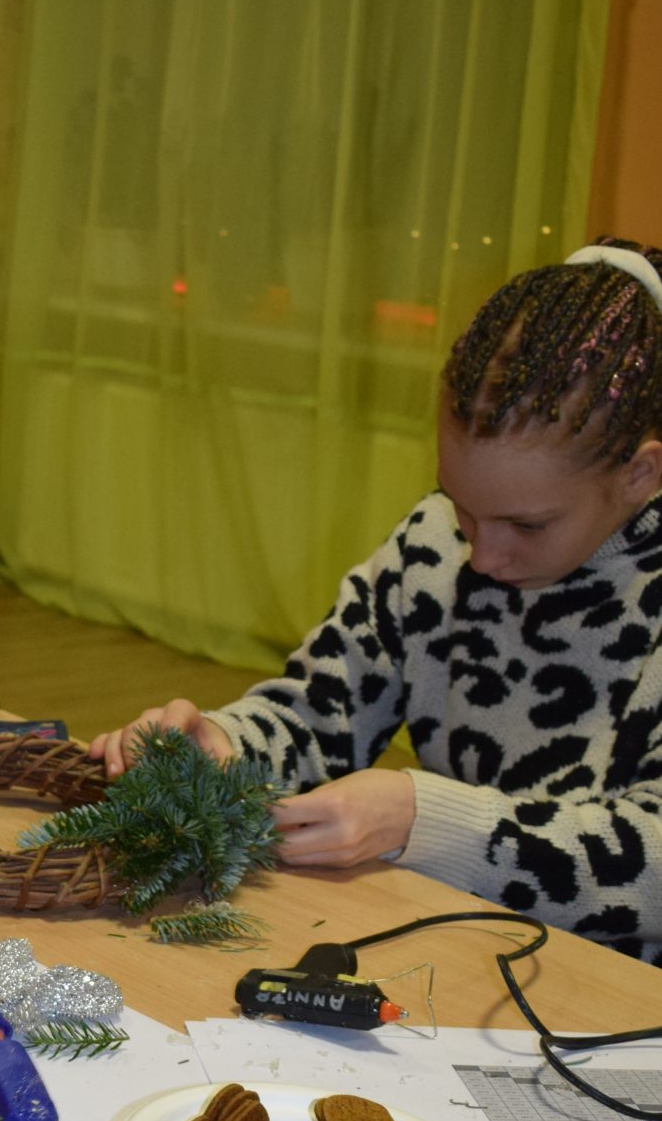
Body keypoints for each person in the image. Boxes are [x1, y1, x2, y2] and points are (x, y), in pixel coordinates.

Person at [93, 241, 662, 961]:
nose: (482, 556)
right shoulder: (433, 544)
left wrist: (425, 819)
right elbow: (318, 716)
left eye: (527, 525)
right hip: (469, 948)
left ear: (641, 474)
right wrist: (223, 744)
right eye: (460, 505)